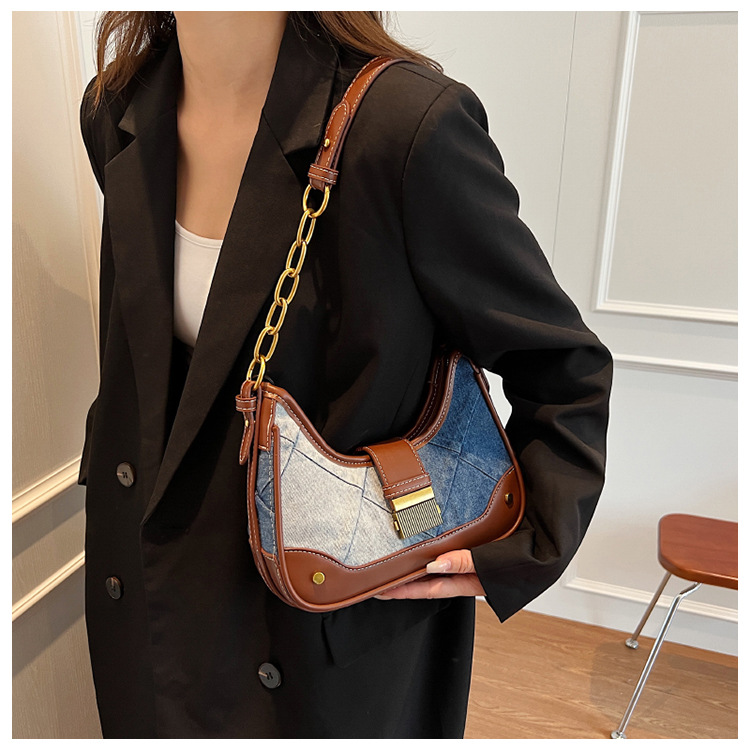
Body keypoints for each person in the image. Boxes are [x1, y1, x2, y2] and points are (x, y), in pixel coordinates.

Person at [78, 10, 612, 739]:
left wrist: (523, 541)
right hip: (145, 586)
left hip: (324, 614)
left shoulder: (404, 127)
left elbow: (562, 364)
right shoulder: (116, 108)